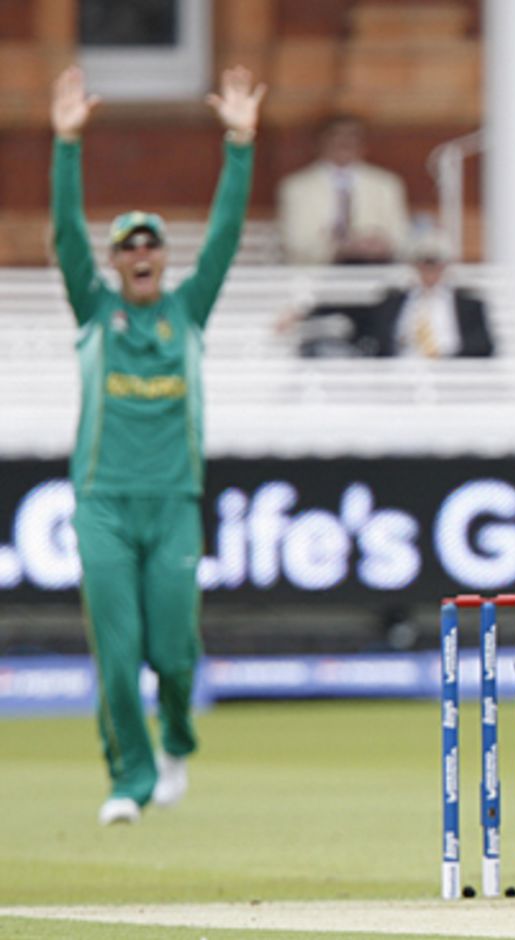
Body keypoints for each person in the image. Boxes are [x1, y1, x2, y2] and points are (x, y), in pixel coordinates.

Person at [50, 64, 265, 826]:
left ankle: (176, 740)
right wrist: (66, 145)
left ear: (163, 258)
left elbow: (226, 238)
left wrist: (240, 145)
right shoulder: (93, 309)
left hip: (174, 502)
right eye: (127, 247)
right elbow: (65, 236)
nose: (140, 254)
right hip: (104, 502)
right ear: (114, 261)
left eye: (151, 245)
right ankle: (129, 780)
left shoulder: (187, 311)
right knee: (117, 655)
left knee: (173, 652)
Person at [295, 229, 494, 358]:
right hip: (398, 375)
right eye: (423, 263)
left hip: (453, 376)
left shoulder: (469, 305)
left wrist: (443, 357)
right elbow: (354, 314)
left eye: (435, 263)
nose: (429, 271)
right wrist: (302, 314)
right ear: (413, 265)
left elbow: (483, 345)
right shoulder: (393, 301)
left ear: (446, 266)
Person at [277, 115, 411, 265]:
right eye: (336, 136)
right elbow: (294, 241)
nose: (345, 142)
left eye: (352, 136)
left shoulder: (385, 184)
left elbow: (401, 236)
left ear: (363, 145)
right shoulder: (297, 186)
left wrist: (379, 245)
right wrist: (339, 249)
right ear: (320, 142)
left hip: (376, 268)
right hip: (318, 270)